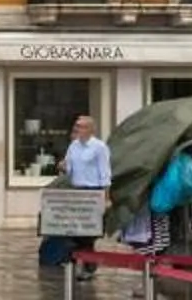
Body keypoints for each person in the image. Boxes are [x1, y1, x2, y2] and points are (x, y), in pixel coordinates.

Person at [63, 114, 113, 281]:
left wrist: (106, 197)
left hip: (93, 191)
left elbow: (105, 173)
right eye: (76, 126)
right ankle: (76, 262)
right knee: (74, 231)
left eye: (81, 126)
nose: (77, 129)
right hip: (77, 191)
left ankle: (88, 266)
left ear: (91, 129)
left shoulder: (99, 147)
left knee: (88, 233)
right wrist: (63, 167)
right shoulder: (73, 146)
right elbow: (69, 169)